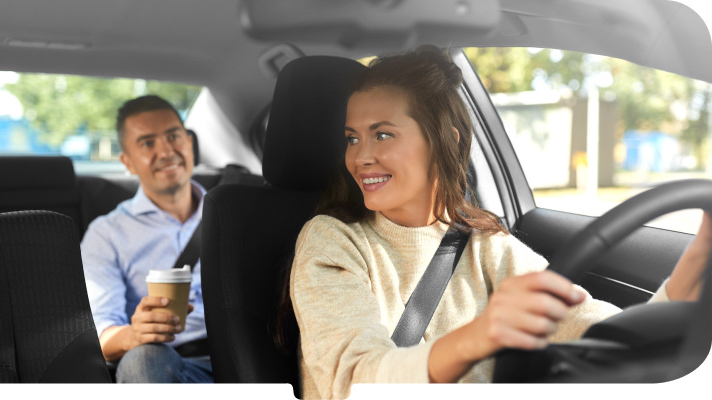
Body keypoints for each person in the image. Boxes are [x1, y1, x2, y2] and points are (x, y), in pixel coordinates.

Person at [286, 46, 711, 399]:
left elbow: (600, 334)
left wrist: (699, 257)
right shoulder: (331, 242)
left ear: (444, 140)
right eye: (352, 138)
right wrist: (479, 336)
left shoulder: (487, 247)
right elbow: (354, 381)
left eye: (382, 134)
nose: (360, 157)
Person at [81, 95, 213, 383]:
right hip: (170, 364)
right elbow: (100, 337)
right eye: (148, 143)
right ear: (127, 162)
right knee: (143, 360)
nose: (166, 151)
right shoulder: (106, 234)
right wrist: (135, 334)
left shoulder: (234, 214)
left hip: (245, 356)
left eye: (174, 136)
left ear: (190, 144)